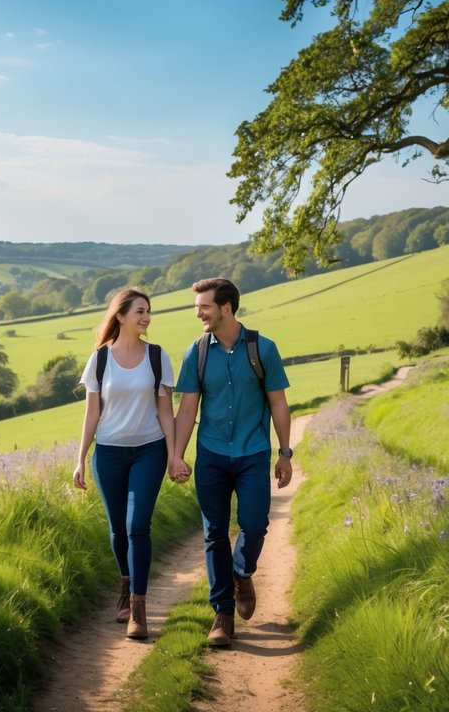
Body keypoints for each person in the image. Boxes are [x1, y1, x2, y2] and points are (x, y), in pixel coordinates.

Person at [169, 277, 292, 647]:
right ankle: (222, 613)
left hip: (253, 451)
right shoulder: (197, 352)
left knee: (254, 525)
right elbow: (187, 407)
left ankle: (242, 571)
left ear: (226, 307)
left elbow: (278, 403)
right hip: (211, 454)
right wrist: (176, 454)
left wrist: (285, 453)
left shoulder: (262, 348)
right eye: (196, 308)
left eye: (204, 307)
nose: (199, 314)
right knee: (214, 533)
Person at [73, 287, 176, 640]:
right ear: (121, 316)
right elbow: (92, 413)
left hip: (150, 450)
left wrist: (175, 454)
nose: (146, 317)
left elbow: (166, 410)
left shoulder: (159, 357)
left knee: (137, 527)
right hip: (110, 453)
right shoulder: (100, 360)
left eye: (148, 311)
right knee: (118, 531)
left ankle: (138, 609)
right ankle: (125, 583)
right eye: (140, 312)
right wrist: (81, 459)